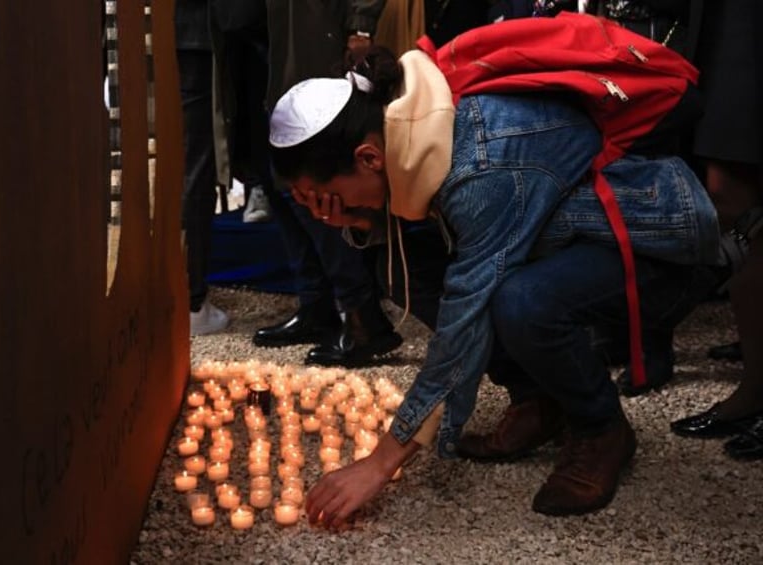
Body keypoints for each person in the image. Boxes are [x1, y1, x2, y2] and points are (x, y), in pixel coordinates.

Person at [268, 33, 721, 522]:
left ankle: (601, 429)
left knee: (517, 302)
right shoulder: (411, 118)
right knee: (405, 269)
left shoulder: (480, 163)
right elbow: (423, 234)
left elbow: (466, 318)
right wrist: (357, 219)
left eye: (321, 194)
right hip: (569, 239)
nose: (321, 209)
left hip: (657, 243)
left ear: (369, 158)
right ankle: (538, 401)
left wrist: (380, 463)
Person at [251, 0, 403, 367]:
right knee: (277, 178)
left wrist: (360, 24)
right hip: (253, 35)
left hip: (309, 33)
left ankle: (359, 309)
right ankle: (315, 303)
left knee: (319, 176)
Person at [669, 0, 763, 461]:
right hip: (730, 21)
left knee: (734, 194)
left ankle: (756, 386)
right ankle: (756, 383)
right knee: (730, 191)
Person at [175, 0, 230, 336]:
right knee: (193, 163)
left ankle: (179, 292)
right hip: (195, 29)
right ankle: (191, 298)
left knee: (163, 159)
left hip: (136, 28)